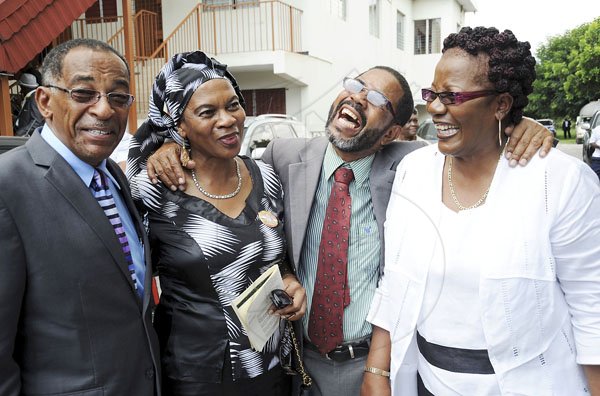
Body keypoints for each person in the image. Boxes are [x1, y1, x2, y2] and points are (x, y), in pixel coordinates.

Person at [145, 69, 555, 396]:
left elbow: (473, 141)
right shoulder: (279, 159)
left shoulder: (413, 166)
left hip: (370, 363)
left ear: (393, 132)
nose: (358, 97)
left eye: (377, 99)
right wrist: (165, 146)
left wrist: (521, 125)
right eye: (355, 85)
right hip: (292, 360)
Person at [362, 26, 600, 396]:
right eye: (433, 94)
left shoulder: (560, 181)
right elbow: (395, 284)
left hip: (528, 385)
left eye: (453, 96)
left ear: (501, 104)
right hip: (425, 382)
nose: (436, 107)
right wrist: (377, 372)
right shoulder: (413, 172)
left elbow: (592, 308)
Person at [126, 51, 307, 396]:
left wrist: (289, 281)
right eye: (207, 112)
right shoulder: (155, 188)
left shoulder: (265, 176)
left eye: (233, 105)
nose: (228, 120)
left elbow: (273, 260)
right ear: (180, 124)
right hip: (197, 373)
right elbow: (128, 272)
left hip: (271, 364)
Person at [0, 38, 160, 395]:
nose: (104, 110)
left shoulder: (113, 177)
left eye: (118, 97)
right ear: (44, 101)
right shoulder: (8, 186)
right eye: (84, 94)